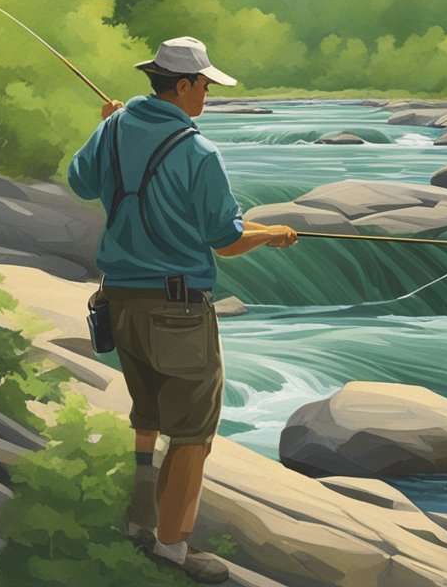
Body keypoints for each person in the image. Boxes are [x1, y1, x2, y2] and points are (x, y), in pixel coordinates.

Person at [68, 36, 296, 584]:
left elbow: (80, 182)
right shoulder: (198, 152)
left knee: (146, 413)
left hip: (119, 301)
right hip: (178, 309)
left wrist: (105, 128)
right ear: (186, 85)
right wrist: (271, 235)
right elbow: (225, 239)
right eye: (206, 87)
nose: (208, 97)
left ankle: (138, 524)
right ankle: (171, 550)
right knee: (192, 432)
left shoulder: (115, 127)